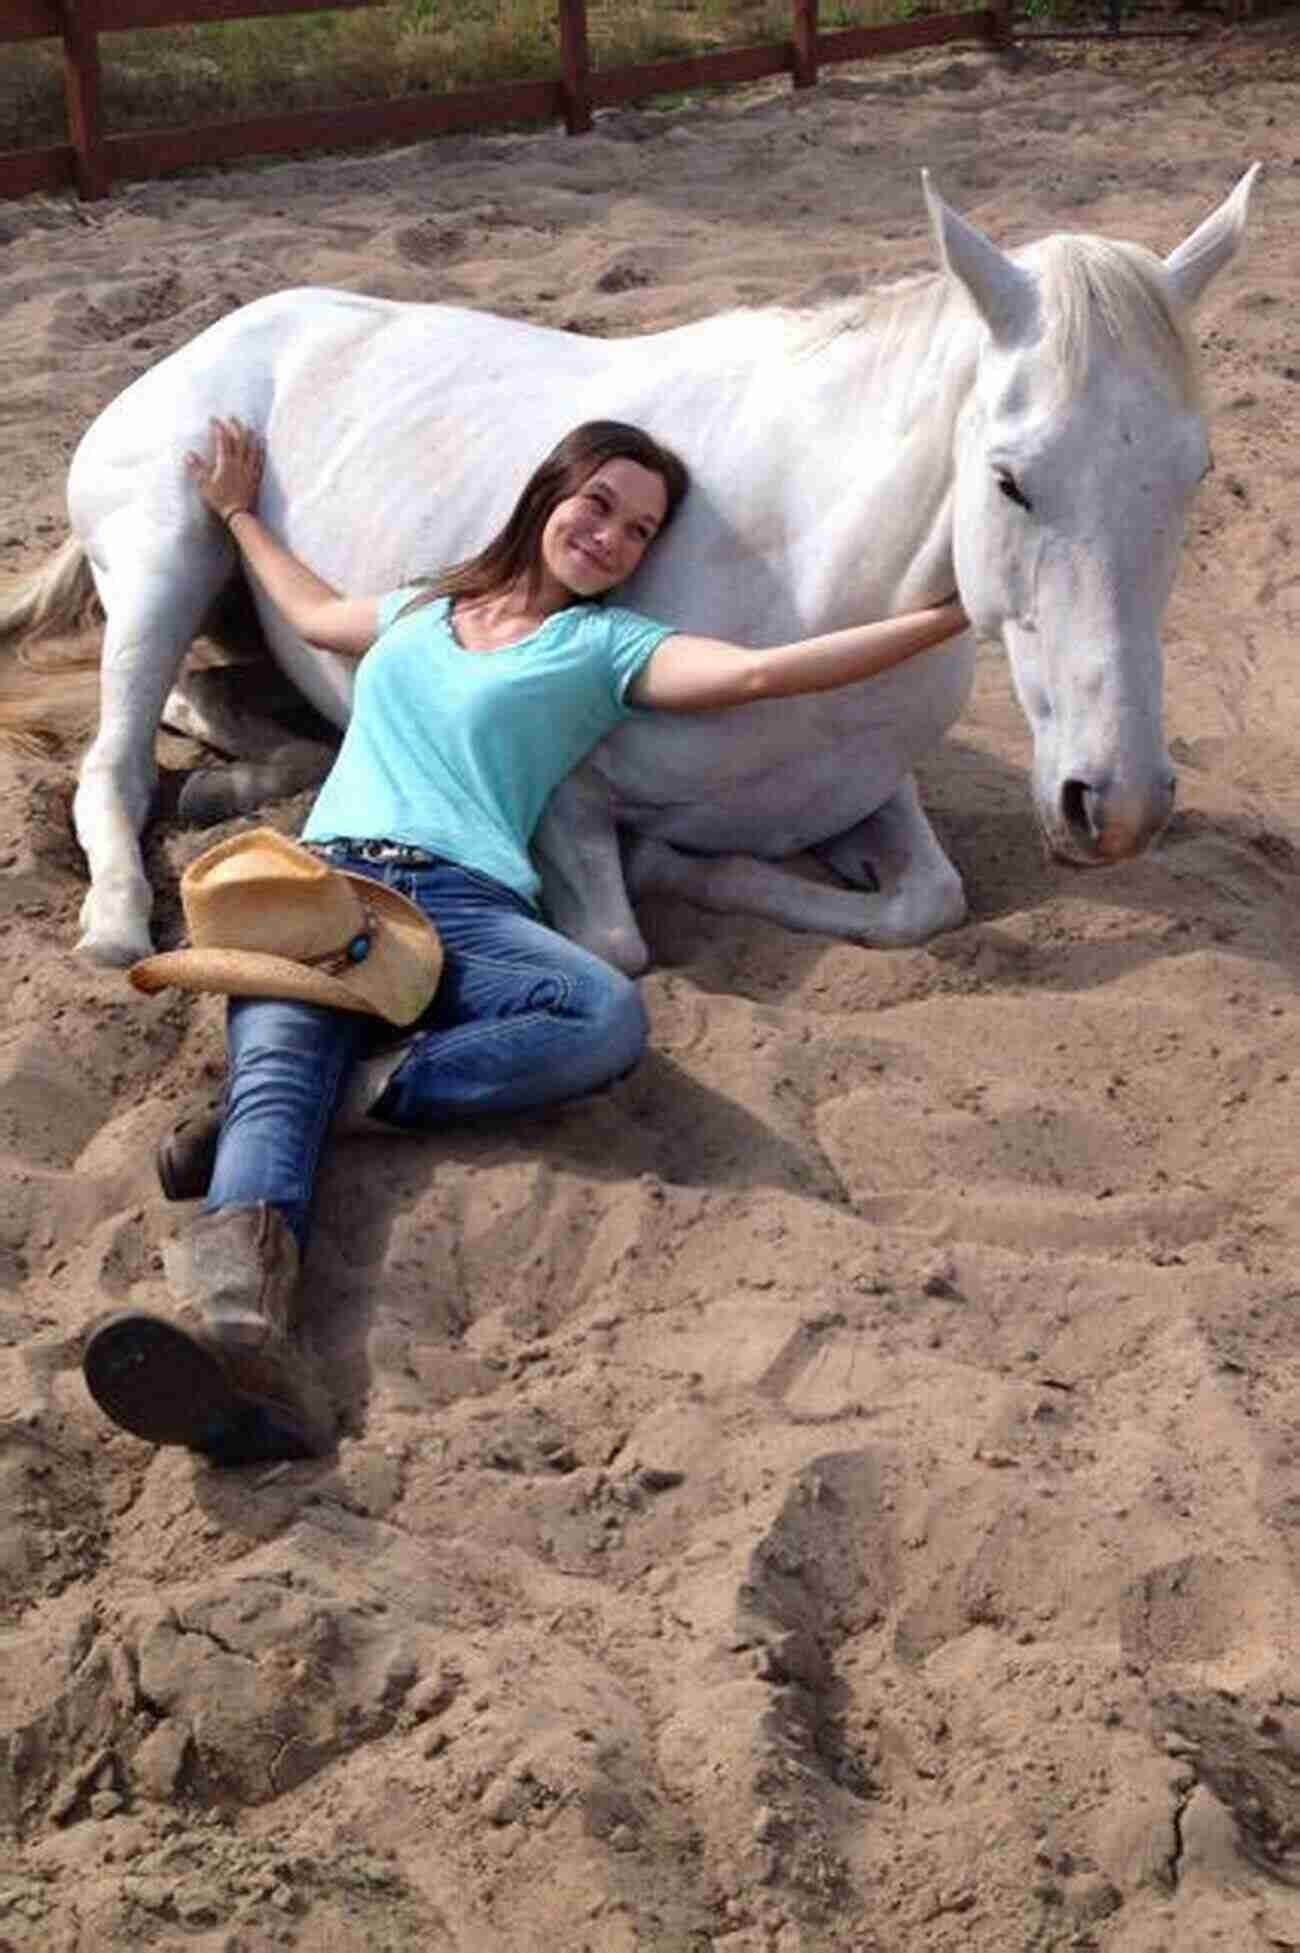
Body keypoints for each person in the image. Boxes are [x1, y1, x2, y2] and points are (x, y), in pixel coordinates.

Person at [81, 415, 968, 1468]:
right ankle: (243, 1345)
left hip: (470, 904)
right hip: (321, 889)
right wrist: (234, 511)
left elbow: (762, 676)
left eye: (638, 531)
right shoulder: (423, 604)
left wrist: (956, 613)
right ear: (549, 495)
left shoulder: (605, 647)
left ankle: (334, 1107)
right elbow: (316, 615)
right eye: (598, 504)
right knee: (276, 1068)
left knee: (599, 1014)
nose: (609, 536)